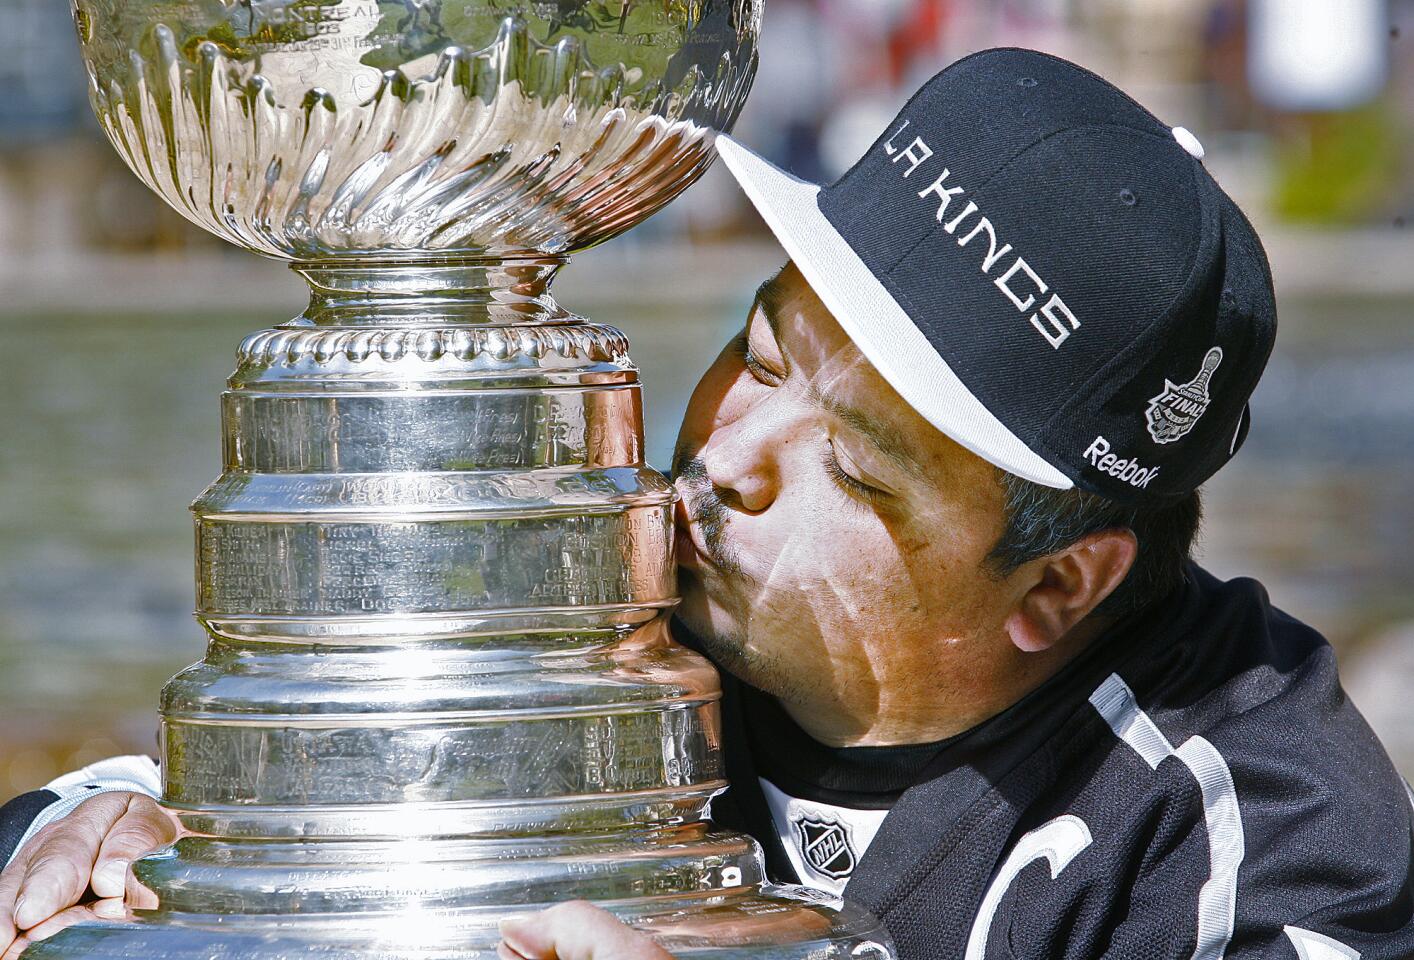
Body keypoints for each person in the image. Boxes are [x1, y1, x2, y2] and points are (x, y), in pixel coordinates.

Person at [3, 48, 1413, 960]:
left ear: (1055, 586)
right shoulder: (612, 587)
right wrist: (122, 821)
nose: (733, 450)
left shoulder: (1252, 827)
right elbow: (312, 757)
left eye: (859, 469)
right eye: (758, 349)